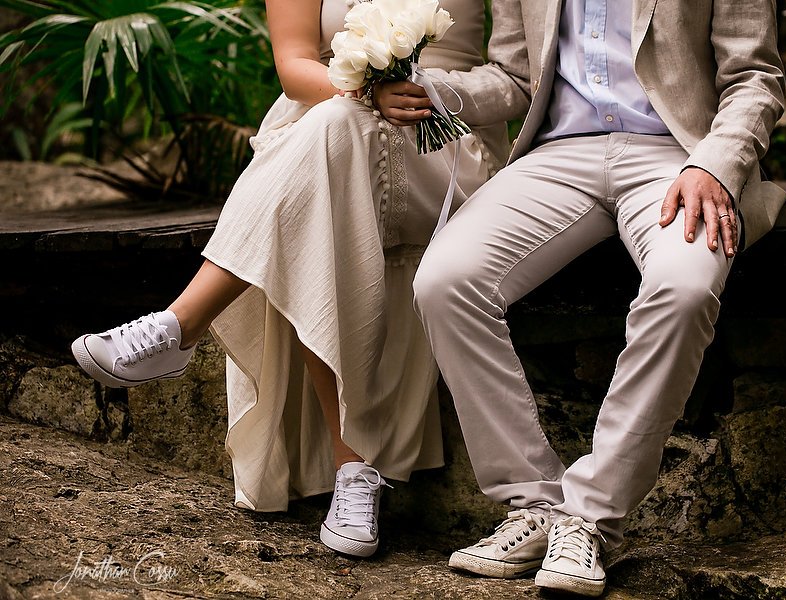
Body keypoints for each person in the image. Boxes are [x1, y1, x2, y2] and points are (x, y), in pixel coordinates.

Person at [70, 0, 531, 558]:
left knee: (328, 157)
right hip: (329, 124)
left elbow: (517, 81)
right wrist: (365, 91)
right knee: (335, 147)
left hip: (444, 144)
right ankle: (355, 474)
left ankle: (182, 326)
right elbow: (293, 66)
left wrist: (431, 91)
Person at [412, 0, 786, 596]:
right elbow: (514, 77)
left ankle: (590, 517)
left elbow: (754, 78)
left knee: (686, 286)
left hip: (680, 154)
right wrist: (425, 89)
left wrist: (716, 165)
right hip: (558, 157)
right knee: (446, 283)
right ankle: (532, 504)